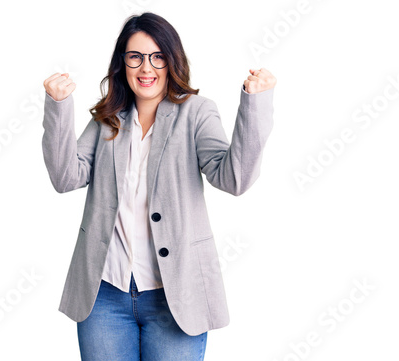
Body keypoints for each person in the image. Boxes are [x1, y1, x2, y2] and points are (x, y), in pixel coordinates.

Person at [42, 12, 276, 361]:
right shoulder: (108, 119)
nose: (145, 68)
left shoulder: (196, 113)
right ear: (122, 64)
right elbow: (65, 177)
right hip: (104, 296)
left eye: (157, 57)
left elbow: (234, 178)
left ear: (171, 61)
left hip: (176, 294)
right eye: (135, 57)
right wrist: (59, 108)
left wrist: (254, 104)